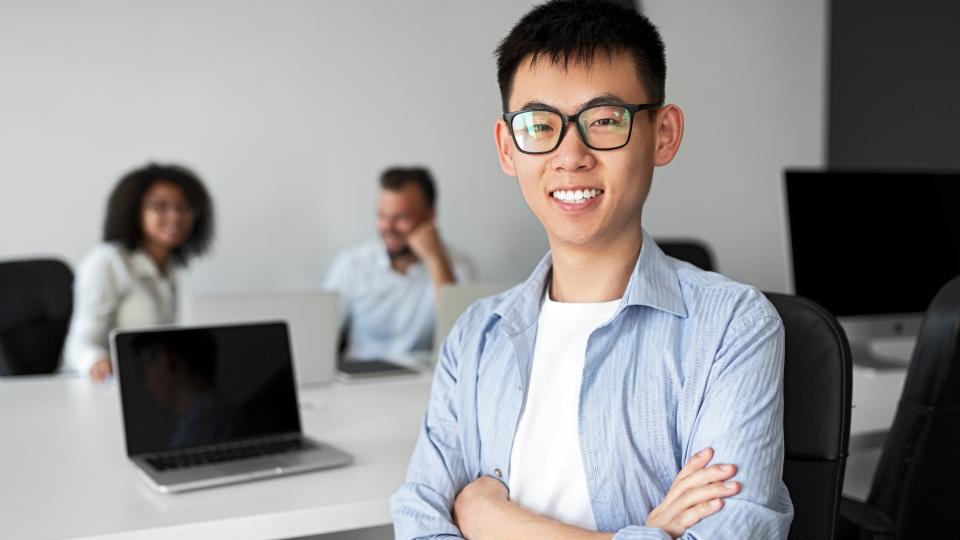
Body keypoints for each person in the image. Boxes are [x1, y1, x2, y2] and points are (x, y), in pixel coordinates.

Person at [391, 1, 792, 539]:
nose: (570, 154)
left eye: (605, 121)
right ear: (508, 148)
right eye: (539, 125)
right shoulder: (476, 337)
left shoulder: (733, 327)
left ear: (664, 134)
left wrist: (491, 520)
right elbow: (419, 523)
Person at [63, 163, 214, 382]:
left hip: (149, 385)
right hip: (101, 388)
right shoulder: (108, 261)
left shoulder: (169, 267)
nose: (175, 216)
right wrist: (97, 362)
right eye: (160, 206)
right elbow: (80, 345)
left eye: (183, 207)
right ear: (134, 210)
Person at [324, 167, 475, 361]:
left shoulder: (458, 266)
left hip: (421, 382)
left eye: (401, 217)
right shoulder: (351, 265)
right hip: (359, 381)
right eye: (382, 216)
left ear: (430, 216)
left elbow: (463, 337)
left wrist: (435, 259)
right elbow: (321, 338)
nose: (387, 227)